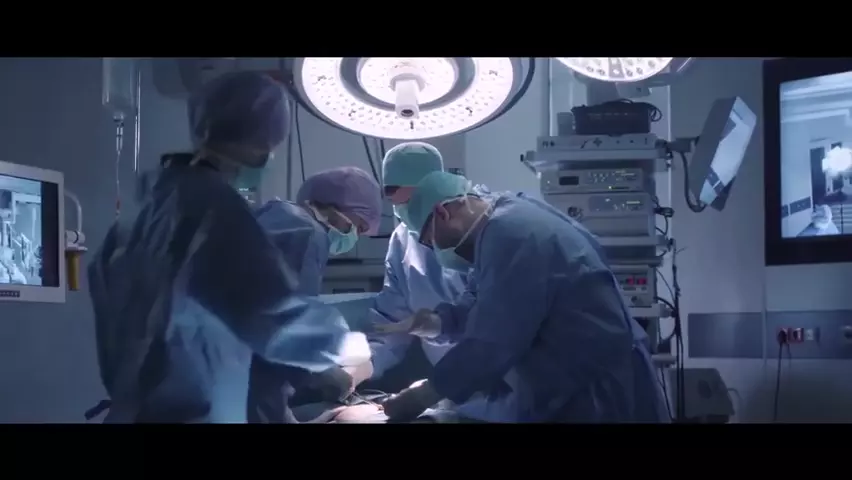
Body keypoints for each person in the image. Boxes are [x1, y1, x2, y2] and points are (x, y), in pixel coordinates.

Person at [87, 71, 368, 423]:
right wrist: (352, 349)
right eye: (268, 145)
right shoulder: (212, 209)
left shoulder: (146, 207)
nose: (268, 156)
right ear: (257, 144)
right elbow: (277, 318)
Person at [375, 171, 670, 423]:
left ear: (443, 213)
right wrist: (440, 322)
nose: (436, 251)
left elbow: (492, 341)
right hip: (576, 382)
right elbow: (485, 301)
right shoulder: (503, 219)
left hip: (596, 390)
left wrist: (427, 393)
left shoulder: (512, 234)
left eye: (430, 242)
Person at [344, 141, 517, 423]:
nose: (407, 214)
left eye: (413, 202)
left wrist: (430, 391)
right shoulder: (403, 240)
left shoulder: (493, 231)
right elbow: (390, 323)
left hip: (506, 390)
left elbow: (494, 333)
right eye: (398, 205)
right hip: (453, 391)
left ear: (439, 196)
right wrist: (359, 368)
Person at [248, 167, 382, 420]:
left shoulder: (274, 215)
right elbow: (287, 330)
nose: (355, 236)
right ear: (333, 207)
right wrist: (328, 374)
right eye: (358, 226)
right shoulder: (307, 232)